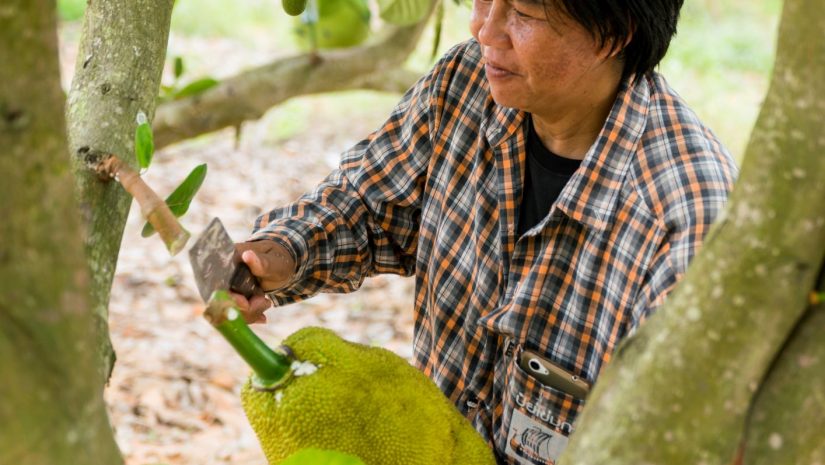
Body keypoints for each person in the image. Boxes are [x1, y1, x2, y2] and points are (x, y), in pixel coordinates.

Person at [231, 0, 738, 462]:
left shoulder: (687, 221)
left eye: (520, 11)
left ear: (613, 35)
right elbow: (367, 204)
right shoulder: (466, 85)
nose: (483, 28)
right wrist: (281, 253)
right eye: (481, 0)